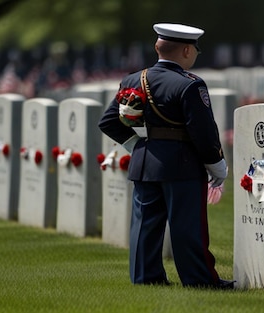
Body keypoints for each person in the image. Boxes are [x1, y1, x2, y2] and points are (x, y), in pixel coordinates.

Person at [98, 23, 233, 289]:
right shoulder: (190, 85)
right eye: (194, 49)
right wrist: (217, 165)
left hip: (145, 161)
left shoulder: (133, 80)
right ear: (185, 50)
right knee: (187, 228)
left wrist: (137, 144)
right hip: (182, 165)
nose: (195, 53)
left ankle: (145, 278)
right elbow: (203, 131)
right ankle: (200, 280)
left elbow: (109, 122)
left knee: (144, 226)